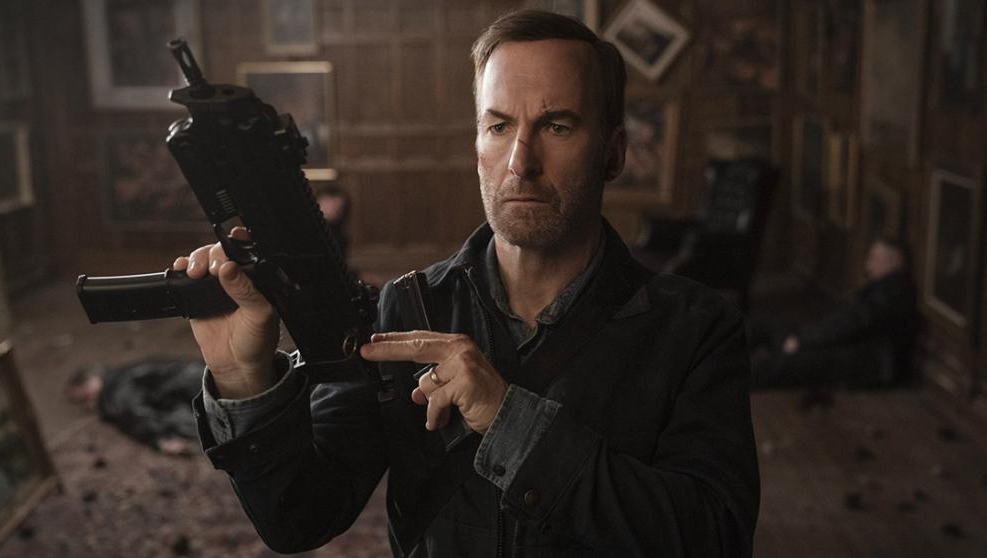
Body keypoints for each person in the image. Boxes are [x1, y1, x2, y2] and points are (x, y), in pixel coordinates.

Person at [174, 11, 759, 556]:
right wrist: (243, 380)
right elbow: (299, 516)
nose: (520, 162)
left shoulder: (695, 328)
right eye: (499, 126)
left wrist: (510, 421)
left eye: (557, 126)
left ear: (613, 153)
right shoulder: (408, 308)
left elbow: (716, 536)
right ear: (477, 144)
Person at [749, 238, 918, 389]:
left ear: (896, 261)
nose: (868, 265)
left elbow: (851, 323)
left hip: (862, 362)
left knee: (777, 366)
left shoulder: (892, 292)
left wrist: (803, 341)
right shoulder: (884, 287)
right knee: (764, 325)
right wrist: (804, 337)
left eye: (875, 259)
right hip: (843, 345)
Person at [65, 358, 203, 455]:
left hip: (196, 388)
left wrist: (160, 440)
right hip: (198, 377)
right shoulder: (120, 378)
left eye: (85, 398)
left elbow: (138, 415)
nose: (89, 405)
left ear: (92, 381)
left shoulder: (114, 393)